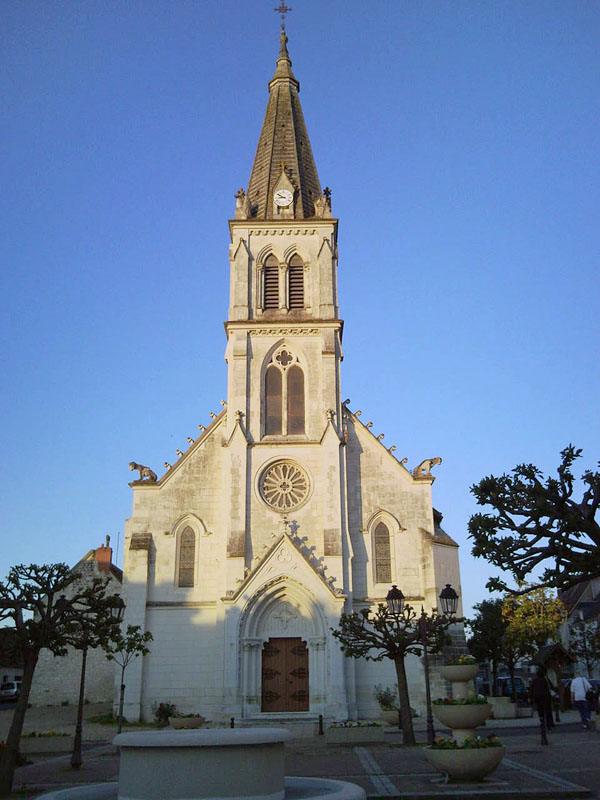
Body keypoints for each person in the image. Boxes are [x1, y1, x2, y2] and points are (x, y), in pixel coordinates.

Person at [531, 666, 554, 745]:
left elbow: (532, 690)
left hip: (538, 699)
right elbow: (549, 688)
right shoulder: (545, 680)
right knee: (547, 711)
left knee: (540, 711)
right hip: (546, 698)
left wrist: (532, 699)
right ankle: (548, 724)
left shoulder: (534, 681)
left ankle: (541, 720)